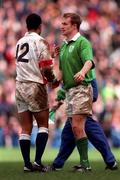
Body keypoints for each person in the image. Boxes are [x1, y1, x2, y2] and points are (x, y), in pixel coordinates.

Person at [15, 13, 59, 172]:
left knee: (25, 128)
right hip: (34, 86)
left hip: (19, 86)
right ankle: (38, 162)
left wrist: (51, 56)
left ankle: (27, 164)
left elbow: (30, 61)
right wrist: (54, 80)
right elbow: (46, 68)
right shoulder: (41, 41)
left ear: (27, 26)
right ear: (40, 26)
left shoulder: (19, 42)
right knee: (43, 125)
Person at [55, 12, 96, 172]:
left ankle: (86, 165)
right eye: (62, 23)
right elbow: (60, 73)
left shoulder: (82, 42)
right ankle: (84, 163)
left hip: (82, 89)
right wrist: (52, 78)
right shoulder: (64, 45)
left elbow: (89, 61)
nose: (61, 26)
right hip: (70, 91)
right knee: (75, 128)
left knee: (78, 127)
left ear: (74, 26)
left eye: (65, 23)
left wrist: (82, 72)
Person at [49, 79, 118, 171]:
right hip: (75, 96)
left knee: (86, 127)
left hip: (81, 94)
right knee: (69, 133)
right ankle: (58, 164)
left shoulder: (81, 67)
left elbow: (88, 69)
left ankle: (92, 164)